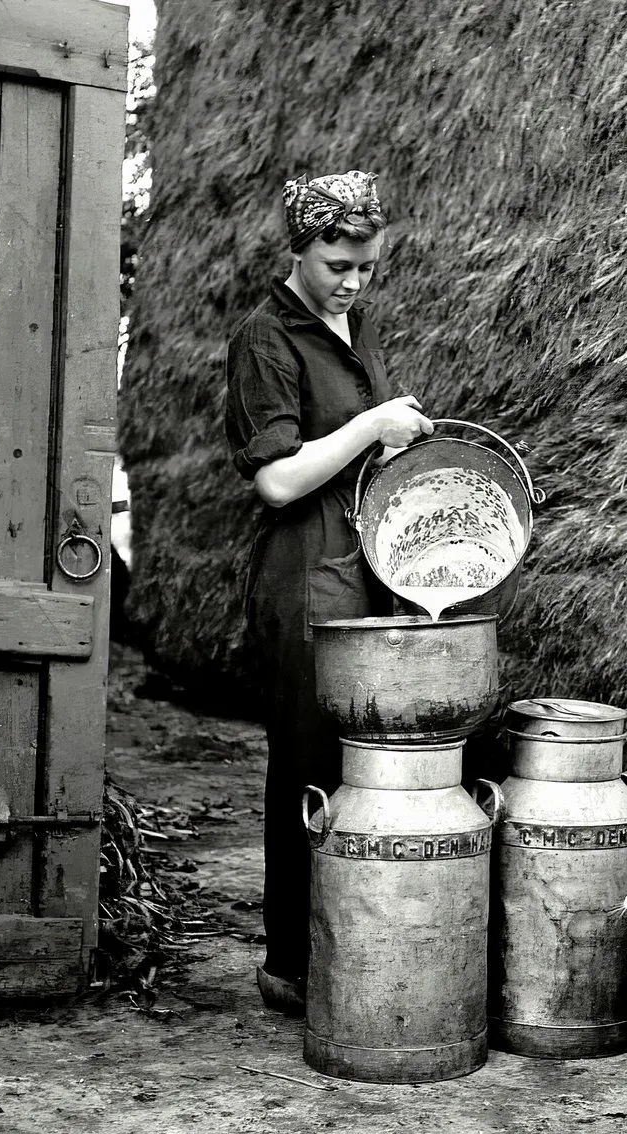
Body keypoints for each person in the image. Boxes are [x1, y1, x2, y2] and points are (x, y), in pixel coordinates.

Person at [224, 171, 433, 1011]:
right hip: (303, 571)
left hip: (356, 561)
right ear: (297, 250)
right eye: (335, 262)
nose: (351, 280)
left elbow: (348, 451)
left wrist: (391, 448)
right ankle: (295, 965)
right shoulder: (265, 338)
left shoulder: (350, 324)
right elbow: (275, 481)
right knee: (309, 765)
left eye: (367, 266)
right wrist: (367, 427)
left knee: (359, 765)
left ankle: (357, 942)